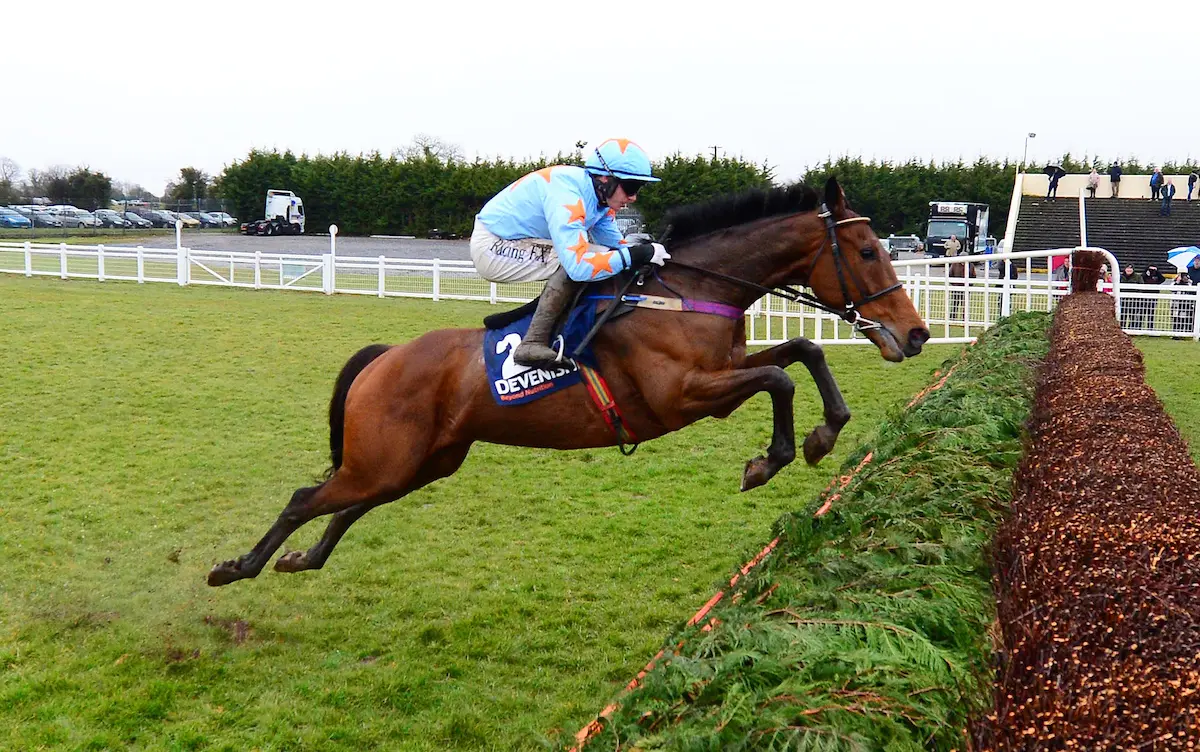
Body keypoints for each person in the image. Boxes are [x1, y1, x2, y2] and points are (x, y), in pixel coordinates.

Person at [471, 138, 670, 367]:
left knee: (604, 255)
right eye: (631, 187)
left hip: (517, 241)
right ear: (605, 179)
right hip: (493, 247)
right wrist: (637, 255)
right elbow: (579, 267)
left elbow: (618, 247)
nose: (633, 197)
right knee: (582, 261)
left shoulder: (599, 200)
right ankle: (532, 343)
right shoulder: (567, 194)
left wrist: (644, 253)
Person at [1119, 264, 1145, 329]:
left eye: (1131, 268)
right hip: (1123, 299)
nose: (1129, 270)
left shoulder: (1138, 277)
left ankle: (1131, 329)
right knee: (1122, 315)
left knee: (1133, 316)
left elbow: (1141, 287)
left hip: (1134, 300)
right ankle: (1122, 328)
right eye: (1127, 268)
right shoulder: (1120, 277)